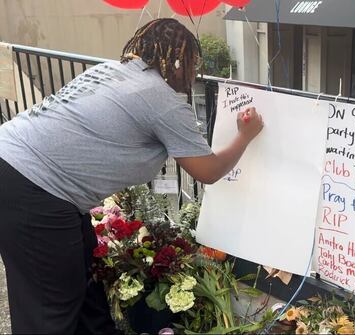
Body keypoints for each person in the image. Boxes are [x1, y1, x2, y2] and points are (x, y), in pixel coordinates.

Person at [0, 18, 263, 334]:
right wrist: (245, 136)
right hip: (36, 188)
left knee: (86, 281)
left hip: (18, 167)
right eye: (193, 64)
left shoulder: (110, 71)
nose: (195, 75)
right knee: (49, 310)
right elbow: (208, 171)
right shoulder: (161, 100)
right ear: (178, 61)